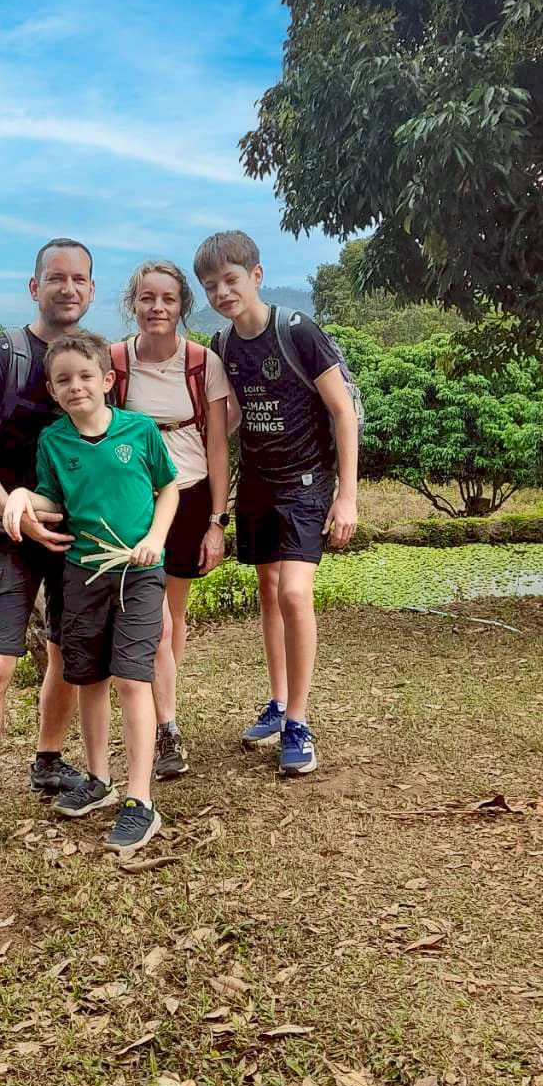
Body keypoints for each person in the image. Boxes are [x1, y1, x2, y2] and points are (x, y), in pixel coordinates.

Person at [0, 239, 95, 864]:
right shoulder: (0, 356)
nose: (67, 288)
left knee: (65, 653)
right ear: (34, 287)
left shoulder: (96, 359)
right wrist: (12, 506)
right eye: (55, 278)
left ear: (90, 289)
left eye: (79, 279)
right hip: (12, 535)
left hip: (77, 536)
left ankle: (48, 763)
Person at [2, 331, 179, 854]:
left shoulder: (140, 431)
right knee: (89, 677)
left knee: (131, 677)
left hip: (138, 573)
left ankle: (140, 800)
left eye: (85, 376)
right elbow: (52, 499)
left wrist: (155, 539)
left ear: (107, 380)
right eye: (63, 380)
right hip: (83, 574)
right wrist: (19, 497)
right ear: (53, 392)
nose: (75, 386)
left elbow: (168, 487)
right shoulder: (54, 441)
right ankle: (99, 781)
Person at [192, 230, 359, 776]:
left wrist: (348, 494)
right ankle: (279, 700)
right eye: (211, 285)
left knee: (293, 591)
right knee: (267, 589)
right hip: (259, 483)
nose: (222, 292)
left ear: (256, 276)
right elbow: (234, 416)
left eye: (231, 280)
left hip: (307, 482)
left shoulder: (296, 331)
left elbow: (341, 411)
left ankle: (300, 723)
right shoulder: (224, 347)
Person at [110, 260, 232, 779]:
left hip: (188, 494)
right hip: (131, 501)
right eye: (146, 298)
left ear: (183, 306)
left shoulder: (203, 362)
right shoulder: (114, 361)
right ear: (132, 303)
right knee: (155, 623)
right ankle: (164, 726)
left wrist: (217, 520)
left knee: (171, 619)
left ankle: (164, 719)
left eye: (168, 299)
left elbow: (219, 445)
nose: (157, 308)